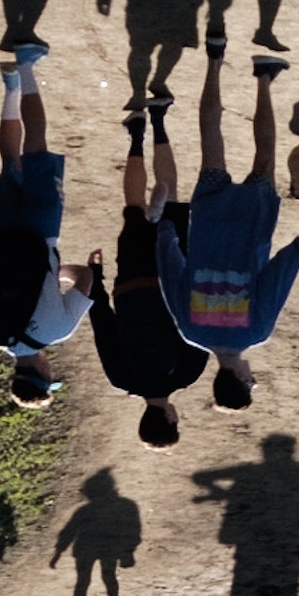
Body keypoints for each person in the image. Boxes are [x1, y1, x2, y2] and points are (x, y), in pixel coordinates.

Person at [159, 38, 299, 407]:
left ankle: (263, 78)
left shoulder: (257, 331)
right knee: (211, 144)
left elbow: (280, 272)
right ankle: (214, 62)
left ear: (240, 377)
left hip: (251, 225)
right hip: (207, 221)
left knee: (265, 156)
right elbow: (169, 269)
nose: (254, 378)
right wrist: (164, 228)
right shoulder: (190, 330)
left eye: (250, 383)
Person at [0, 42, 94, 401]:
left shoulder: (58, 330)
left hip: (41, 231)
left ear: (42, 372)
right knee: (9, 162)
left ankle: (28, 66)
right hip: (1, 233)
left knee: (36, 146)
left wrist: (56, 274)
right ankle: (12, 86)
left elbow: (86, 278)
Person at [86, 101, 208, 447]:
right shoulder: (120, 377)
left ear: (171, 418)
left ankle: (159, 120)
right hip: (131, 286)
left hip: (171, 278)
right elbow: (103, 325)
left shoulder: (188, 372)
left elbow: (197, 318)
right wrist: (96, 278)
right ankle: (137, 135)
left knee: (169, 195)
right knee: (134, 208)